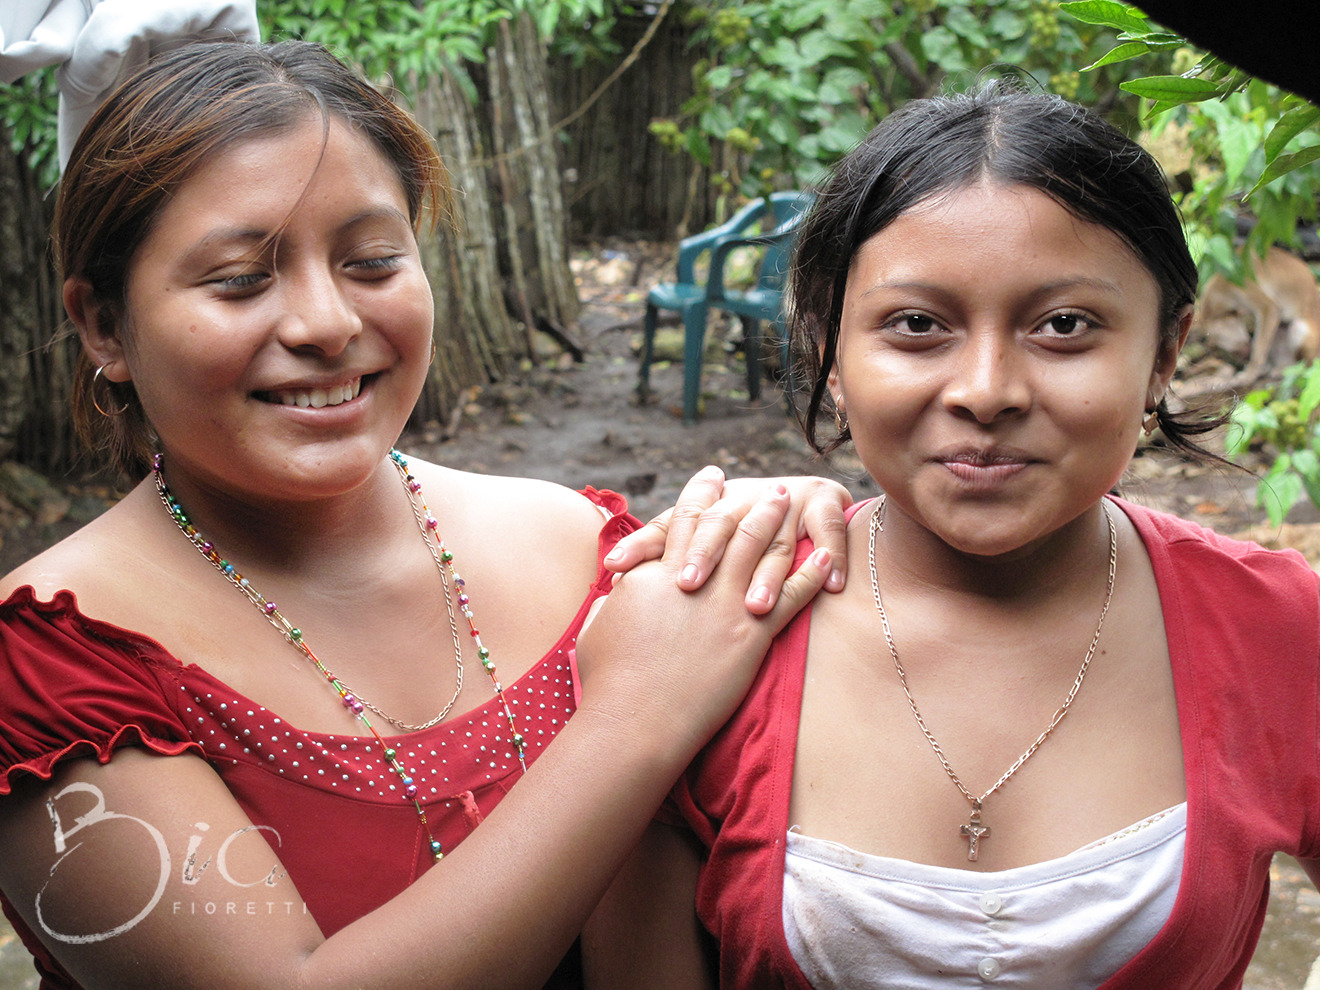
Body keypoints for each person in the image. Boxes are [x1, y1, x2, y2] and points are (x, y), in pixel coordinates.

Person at [0, 40, 853, 990]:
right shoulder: (51, 662)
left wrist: (809, 541)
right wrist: (637, 717)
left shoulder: (584, 544)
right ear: (103, 326)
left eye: (371, 261)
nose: (325, 323)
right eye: (241, 278)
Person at [581, 81, 1320, 989]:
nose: (985, 389)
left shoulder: (1281, 627)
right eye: (917, 325)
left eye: (1063, 326)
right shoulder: (707, 632)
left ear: (1164, 352)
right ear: (828, 351)